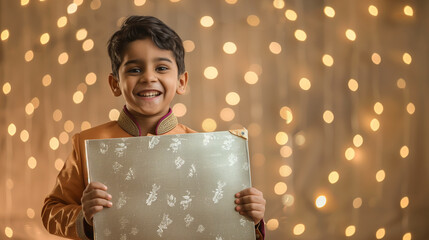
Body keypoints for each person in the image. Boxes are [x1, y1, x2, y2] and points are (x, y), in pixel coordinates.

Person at [41, 16, 266, 239]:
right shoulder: (86, 143)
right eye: (134, 70)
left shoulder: (206, 151)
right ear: (115, 84)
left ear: (181, 82)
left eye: (161, 68)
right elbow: (51, 211)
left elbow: (222, 226)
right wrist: (85, 218)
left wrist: (252, 220)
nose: (149, 77)